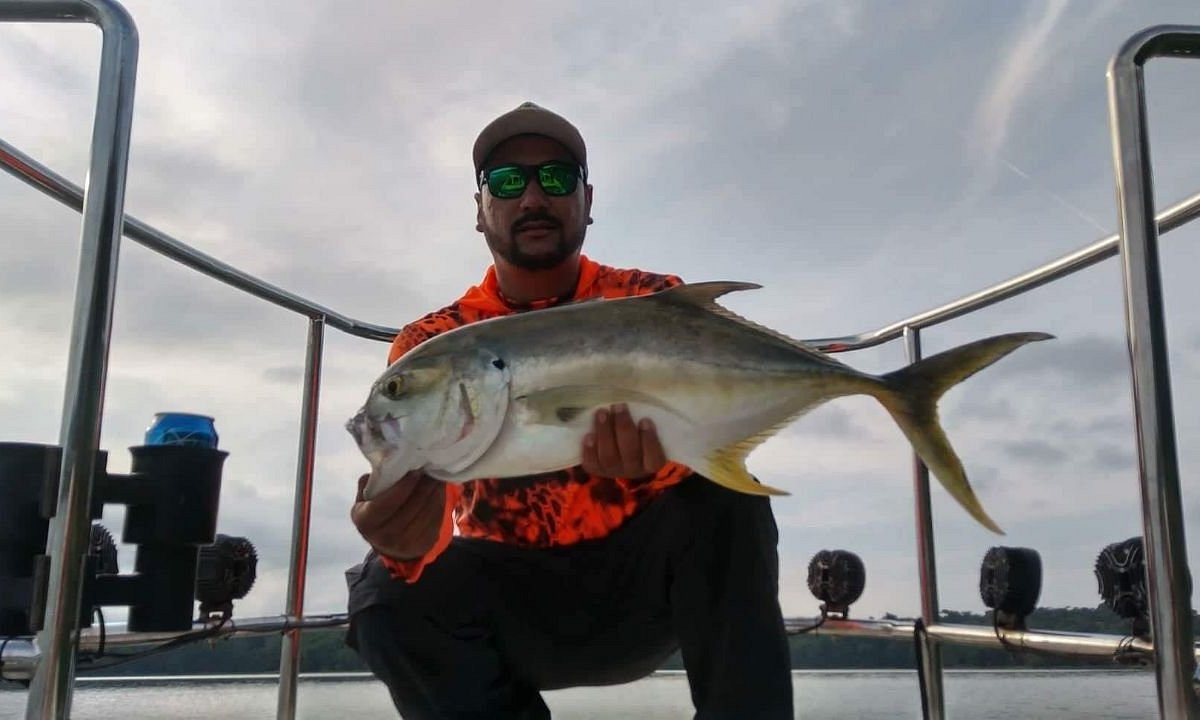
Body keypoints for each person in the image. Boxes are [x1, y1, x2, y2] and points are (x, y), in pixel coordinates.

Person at [344, 101, 792, 719]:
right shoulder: (431, 344)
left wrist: (654, 468)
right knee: (380, 590)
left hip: (648, 593)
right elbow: (426, 528)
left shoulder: (651, 301)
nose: (532, 196)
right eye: (506, 182)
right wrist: (402, 536)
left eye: (556, 178)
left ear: (587, 200)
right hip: (513, 604)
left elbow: (700, 424)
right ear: (481, 210)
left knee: (727, 502)